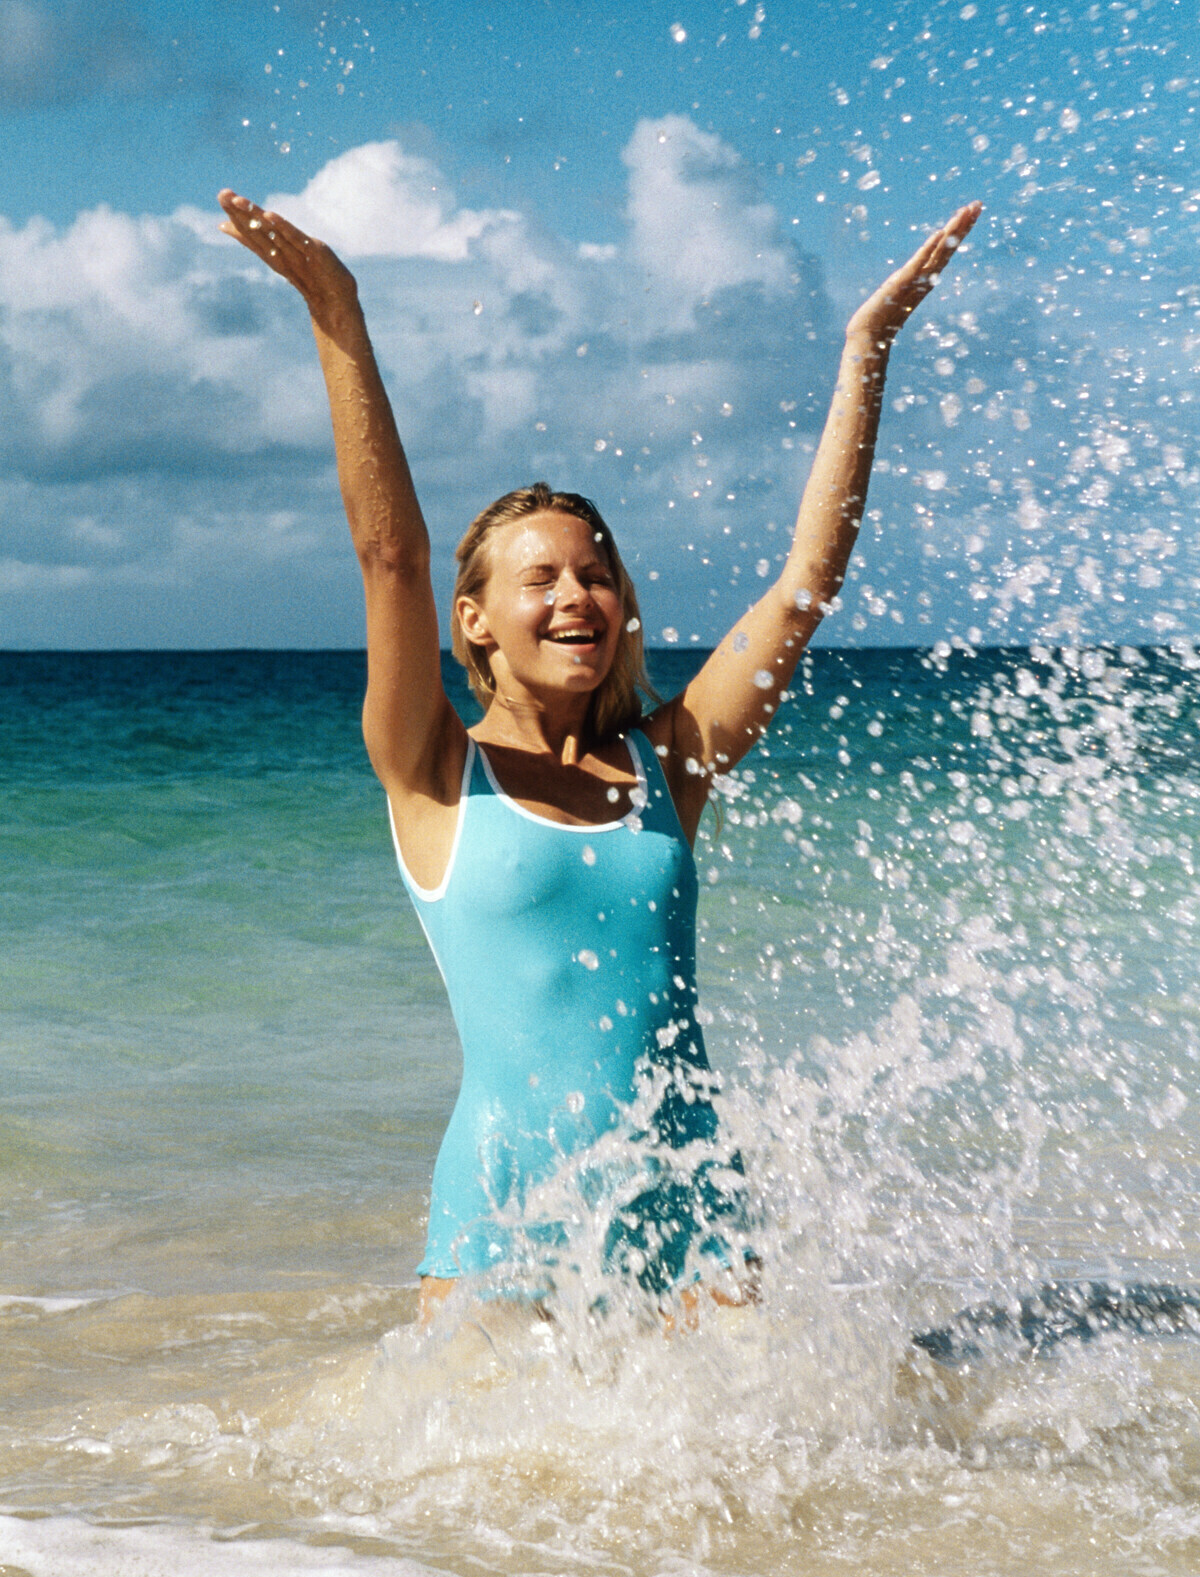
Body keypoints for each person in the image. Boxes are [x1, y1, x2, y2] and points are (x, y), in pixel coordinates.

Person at [218, 185, 981, 1324]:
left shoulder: (668, 765)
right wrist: (339, 313)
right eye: (541, 578)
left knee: (760, 1498)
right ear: (474, 621)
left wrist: (866, 349)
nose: (578, 593)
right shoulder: (431, 767)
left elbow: (805, 588)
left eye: (596, 573)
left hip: (694, 1203)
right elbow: (390, 555)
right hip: (503, 1206)